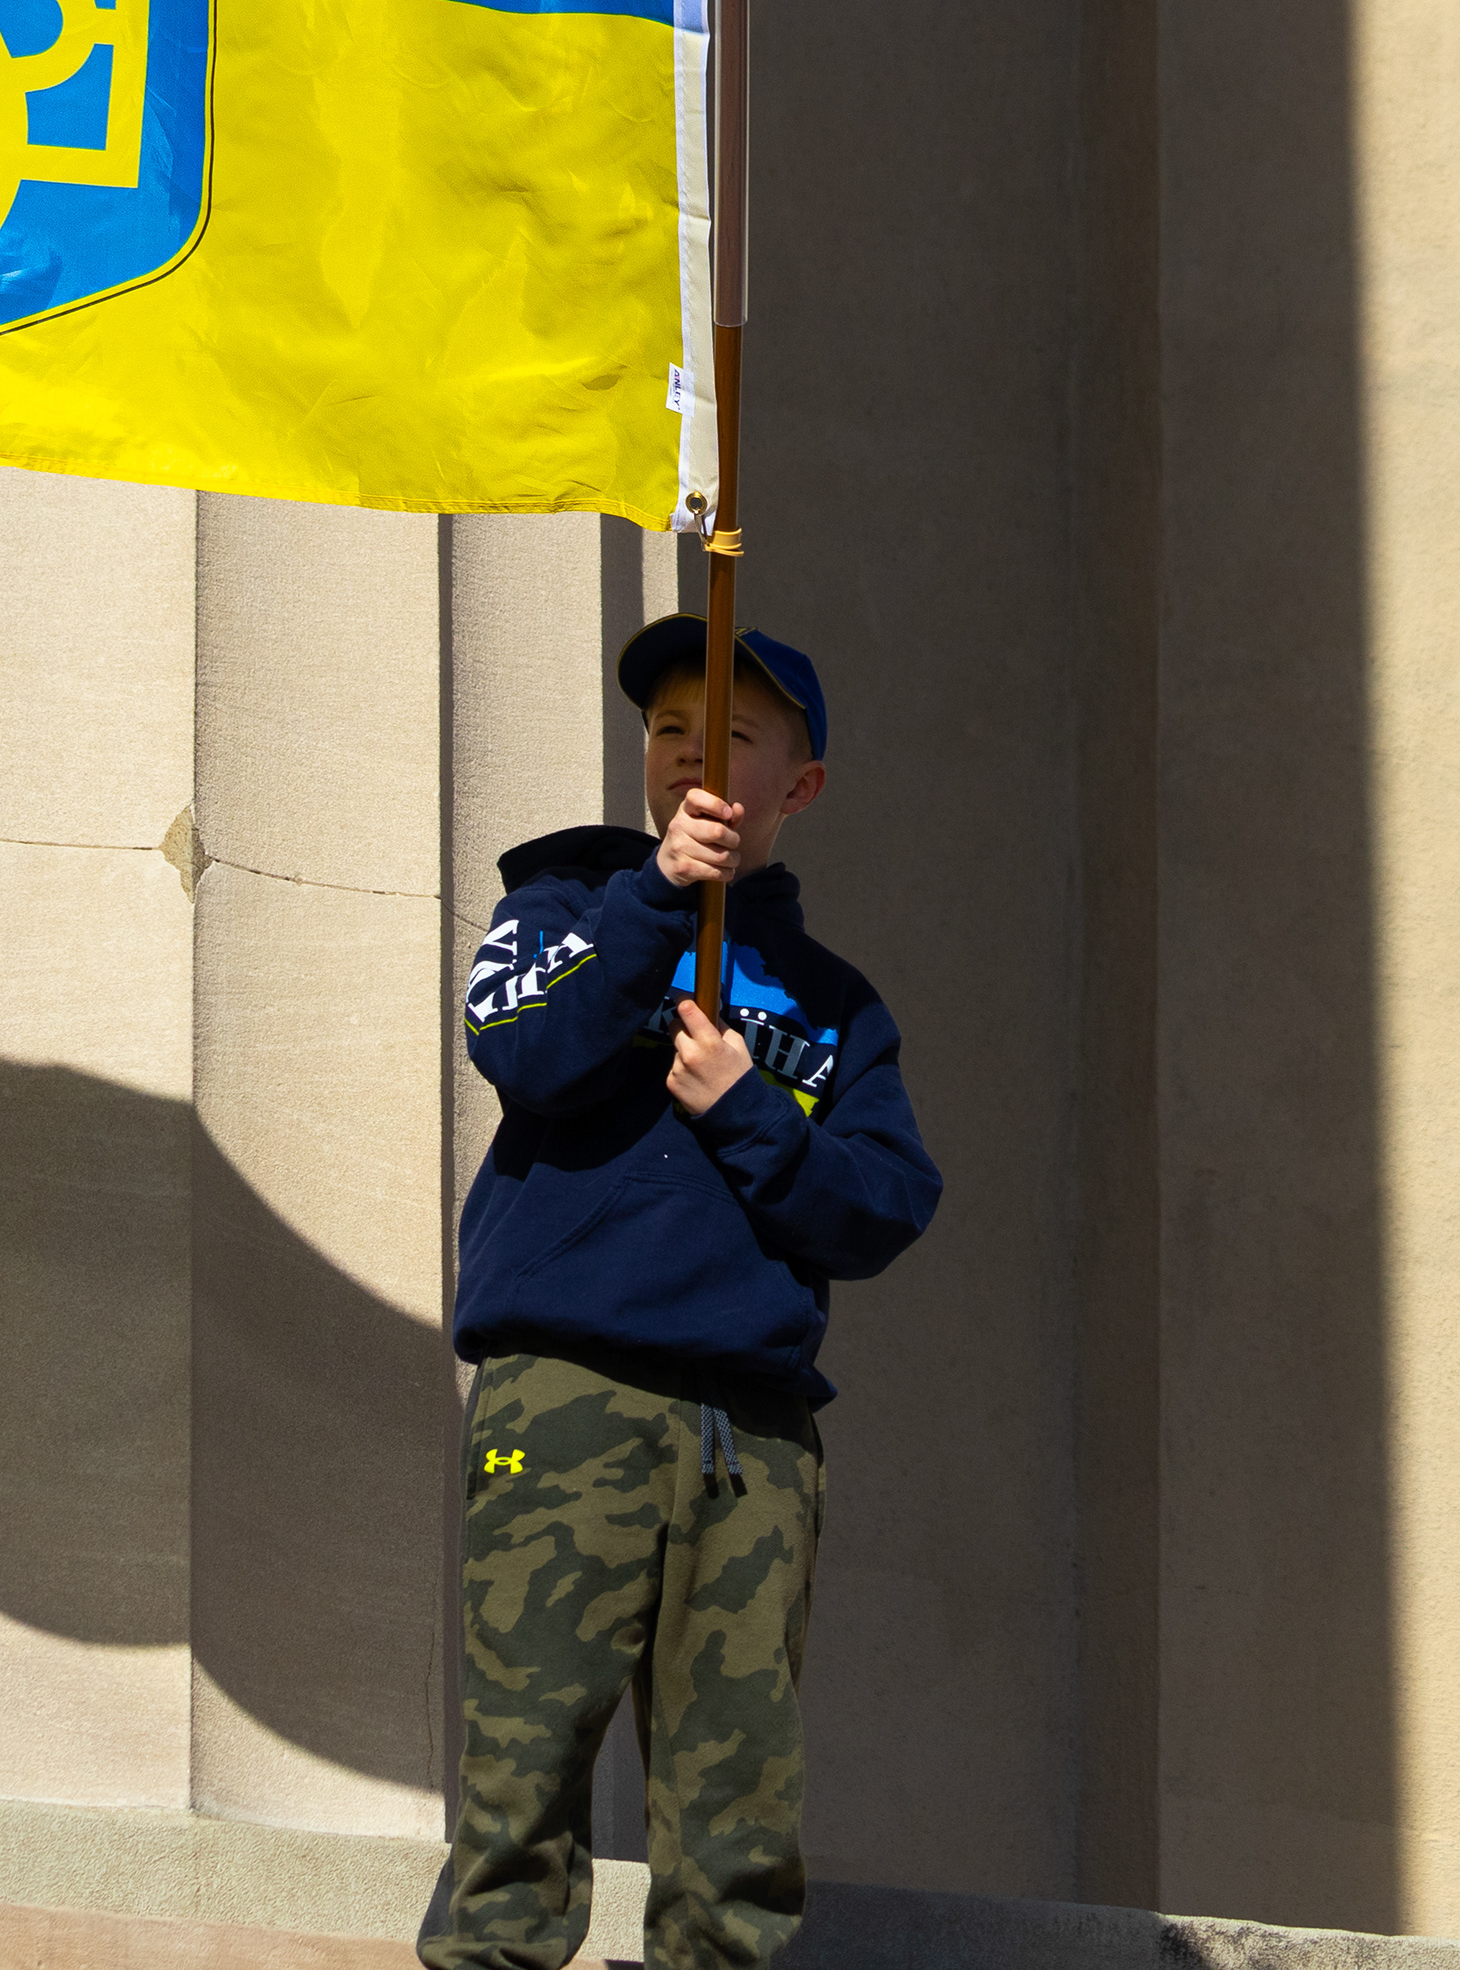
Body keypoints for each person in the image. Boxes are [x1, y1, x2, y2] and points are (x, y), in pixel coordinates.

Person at [424, 616, 942, 1970]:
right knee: (520, 1776)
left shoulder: (835, 1008)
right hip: (567, 1402)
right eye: (668, 733)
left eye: (732, 739)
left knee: (735, 1821)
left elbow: (887, 1205)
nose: (692, 759)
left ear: (798, 785)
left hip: (750, 1435)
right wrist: (652, 901)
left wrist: (753, 1113)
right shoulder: (561, 909)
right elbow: (522, 1051)